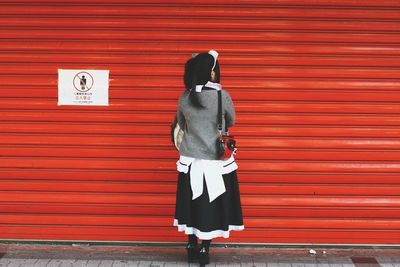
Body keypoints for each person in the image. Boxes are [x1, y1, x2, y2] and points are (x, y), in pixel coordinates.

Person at [173, 50, 244, 267]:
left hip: (189, 162)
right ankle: (204, 248)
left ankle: (190, 244)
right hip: (216, 162)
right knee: (210, 207)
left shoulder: (185, 98)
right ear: (212, 74)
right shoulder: (222, 96)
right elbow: (231, 120)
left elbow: (180, 124)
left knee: (191, 204)